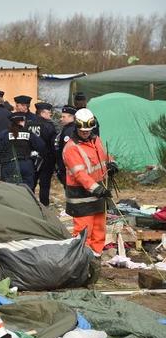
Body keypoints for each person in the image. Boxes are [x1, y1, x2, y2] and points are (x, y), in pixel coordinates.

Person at [62, 108, 117, 256]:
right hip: (82, 198)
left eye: (88, 130)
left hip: (98, 194)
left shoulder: (96, 140)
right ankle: (80, 261)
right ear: (77, 127)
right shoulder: (71, 148)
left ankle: (95, 259)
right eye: (82, 130)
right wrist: (96, 189)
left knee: (99, 231)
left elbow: (103, 157)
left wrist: (111, 164)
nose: (85, 132)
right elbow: (80, 174)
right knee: (83, 233)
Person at [0, 112, 45, 187]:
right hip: (27, 165)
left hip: (10, 166)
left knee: (12, 191)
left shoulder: (4, 135)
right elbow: (42, 147)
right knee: (28, 192)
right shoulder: (29, 134)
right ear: (21, 122)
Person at [27, 102, 57, 206]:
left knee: (31, 183)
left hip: (31, 158)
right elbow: (53, 144)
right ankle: (44, 206)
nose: (50, 115)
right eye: (49, 113)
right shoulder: (49, 126)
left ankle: (30, 205)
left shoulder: (28, 124)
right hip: (46, 159)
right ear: (43, 113)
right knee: (44, 185)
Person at [54, 105, 78, 186]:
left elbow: (67, 151)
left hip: (68, 167)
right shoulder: (68, 128)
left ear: (71, 117)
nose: (61, 119)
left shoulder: (70, 130)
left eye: (63, 117)